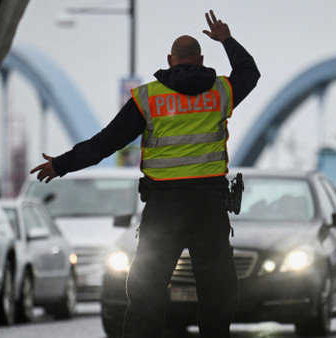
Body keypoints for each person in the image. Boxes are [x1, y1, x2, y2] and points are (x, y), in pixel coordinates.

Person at [30, 10, 260, 337]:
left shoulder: (148, 97)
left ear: (170, 60)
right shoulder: (221, 91)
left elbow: (106, 142)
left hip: (164, 207)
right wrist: (227, 39)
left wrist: (62, 163)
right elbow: (249, 72)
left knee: (147, 289)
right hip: (209, 206)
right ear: (200, 58)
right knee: (216, 289)